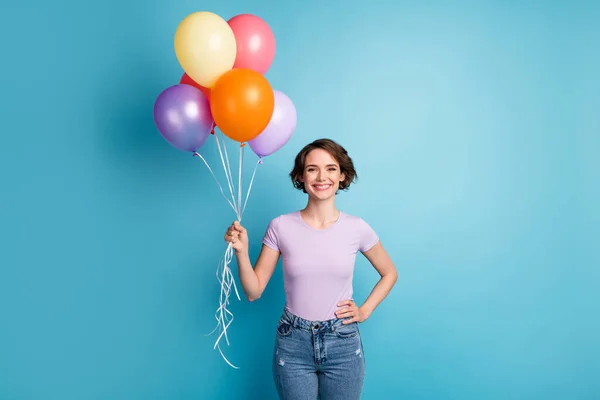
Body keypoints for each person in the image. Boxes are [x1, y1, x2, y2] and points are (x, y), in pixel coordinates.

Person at [224, 138, 398, 400]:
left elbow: (389, 273)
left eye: (330, 168)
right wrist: (241, 252)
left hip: (342, 341)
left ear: (342, 175)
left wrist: (364, 310)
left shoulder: (357, 227)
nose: (321, 176)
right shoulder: (280, 226)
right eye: (312, 168)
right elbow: (253, 291)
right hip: (293, 342)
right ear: (301, 176)